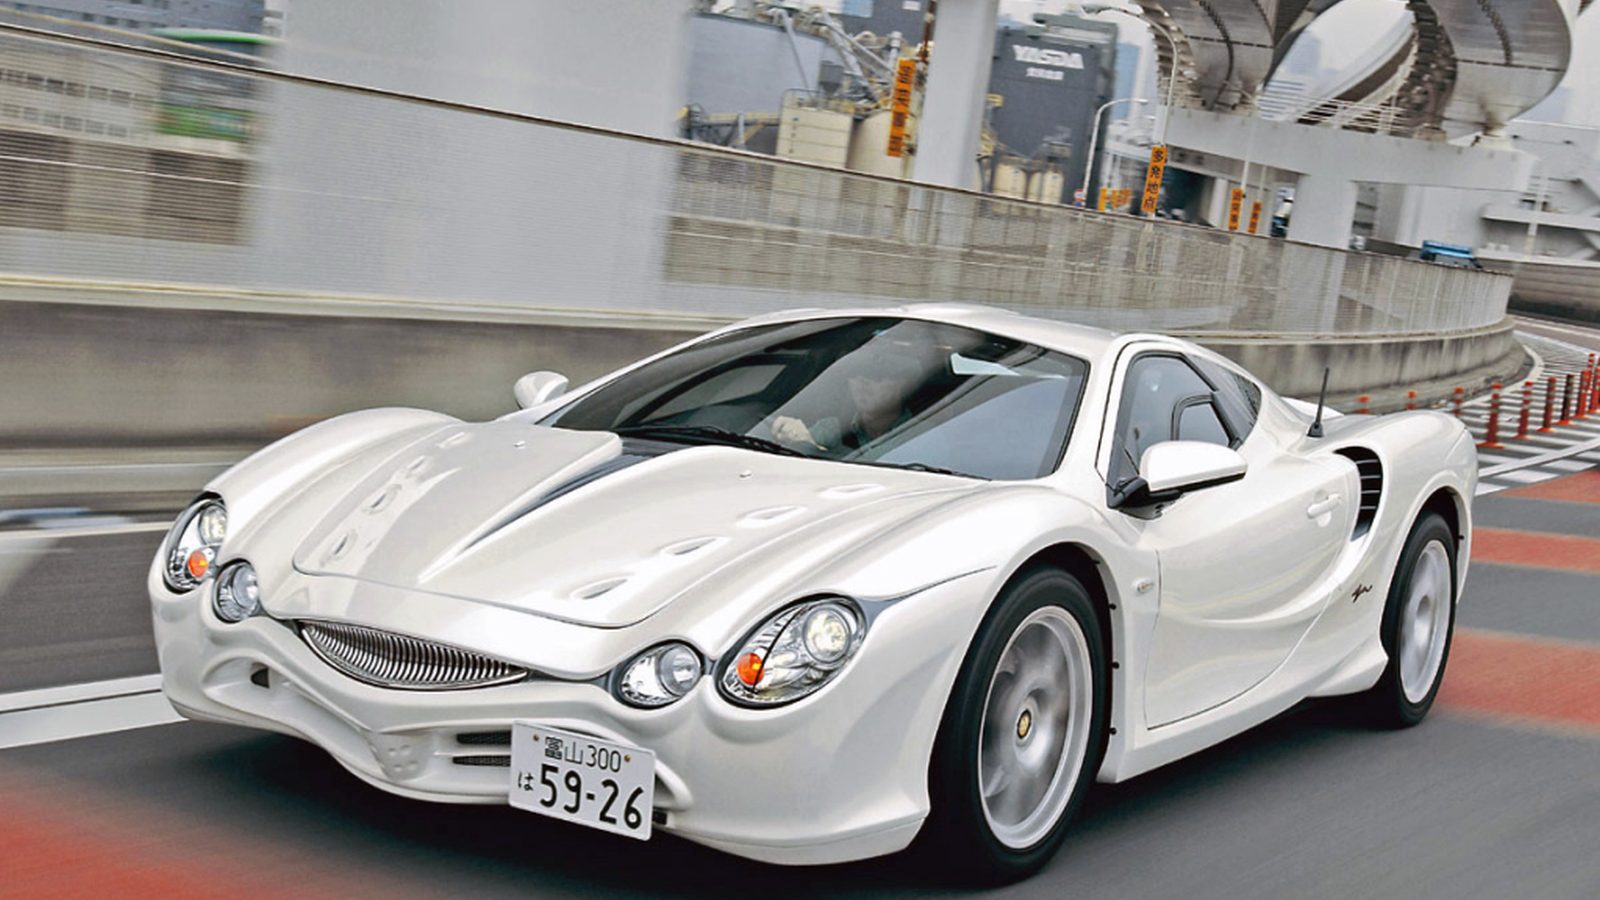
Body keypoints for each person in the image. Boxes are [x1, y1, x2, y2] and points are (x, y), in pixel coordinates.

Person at [770, 351, 923, 455]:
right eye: (855, 374)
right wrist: (793, 436)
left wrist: (811, 446)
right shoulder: (832, 428)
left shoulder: (922, 435)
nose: (862, 383)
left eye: (876, 375)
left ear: (902, 385)